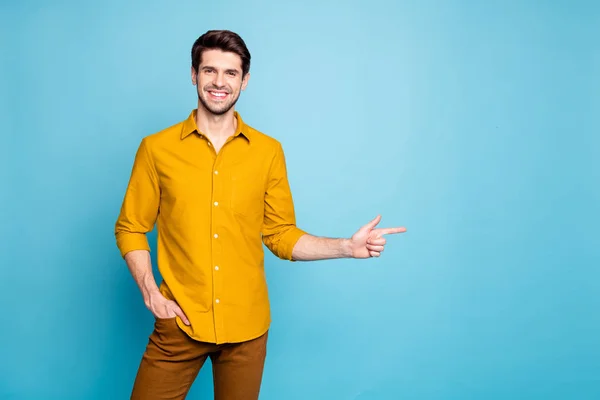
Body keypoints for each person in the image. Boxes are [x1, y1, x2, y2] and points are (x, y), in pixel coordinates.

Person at [114, 29, 406, 400]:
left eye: (230, 73)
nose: (219, 82)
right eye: (209, 71)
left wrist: (347, 246)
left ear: (244, 80)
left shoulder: (268, 152)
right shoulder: (156, 149)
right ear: (194, 74)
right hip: (179, 325)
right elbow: (130, 227)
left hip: (247, 332)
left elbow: (280, 234)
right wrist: (151, 293)